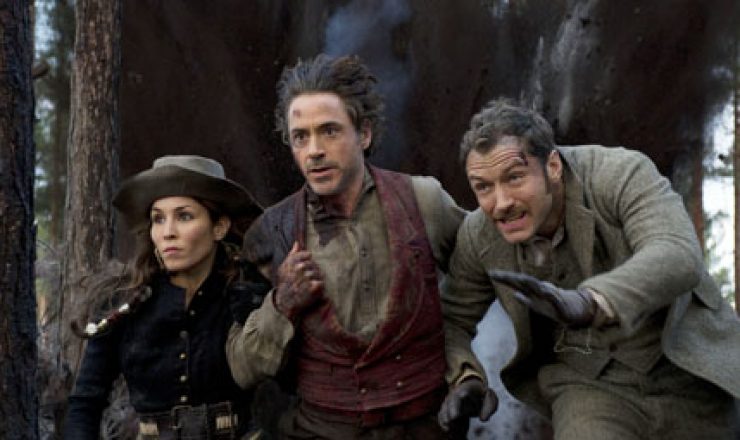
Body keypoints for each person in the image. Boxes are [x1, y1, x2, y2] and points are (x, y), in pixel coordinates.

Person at [226, 54, 496, 439]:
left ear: (364, 134)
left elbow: (487, 270)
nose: (314, 150)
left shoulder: (423, 202)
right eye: (301, 137)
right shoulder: (272, 233)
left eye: (329, 131)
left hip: (425, 427)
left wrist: (464, 370)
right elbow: (242, 369)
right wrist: (281, 303)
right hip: (321, 430)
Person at [443, 98, 740, 439]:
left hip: (686, 369)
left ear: (552, 166)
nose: (501, 203)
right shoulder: (479, 235)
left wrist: (592, 301)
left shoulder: (618, 173)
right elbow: (451, 320)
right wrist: (465, 375)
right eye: (483, 187)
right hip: (587, 384)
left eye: (515, 177)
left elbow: (676, 251)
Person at [64, 155, 268, 439]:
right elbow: (86, 403)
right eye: (158, 219)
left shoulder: (248, 296)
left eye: (184, 216)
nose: (168, 233)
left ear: (219, 227)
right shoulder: (123, 303)